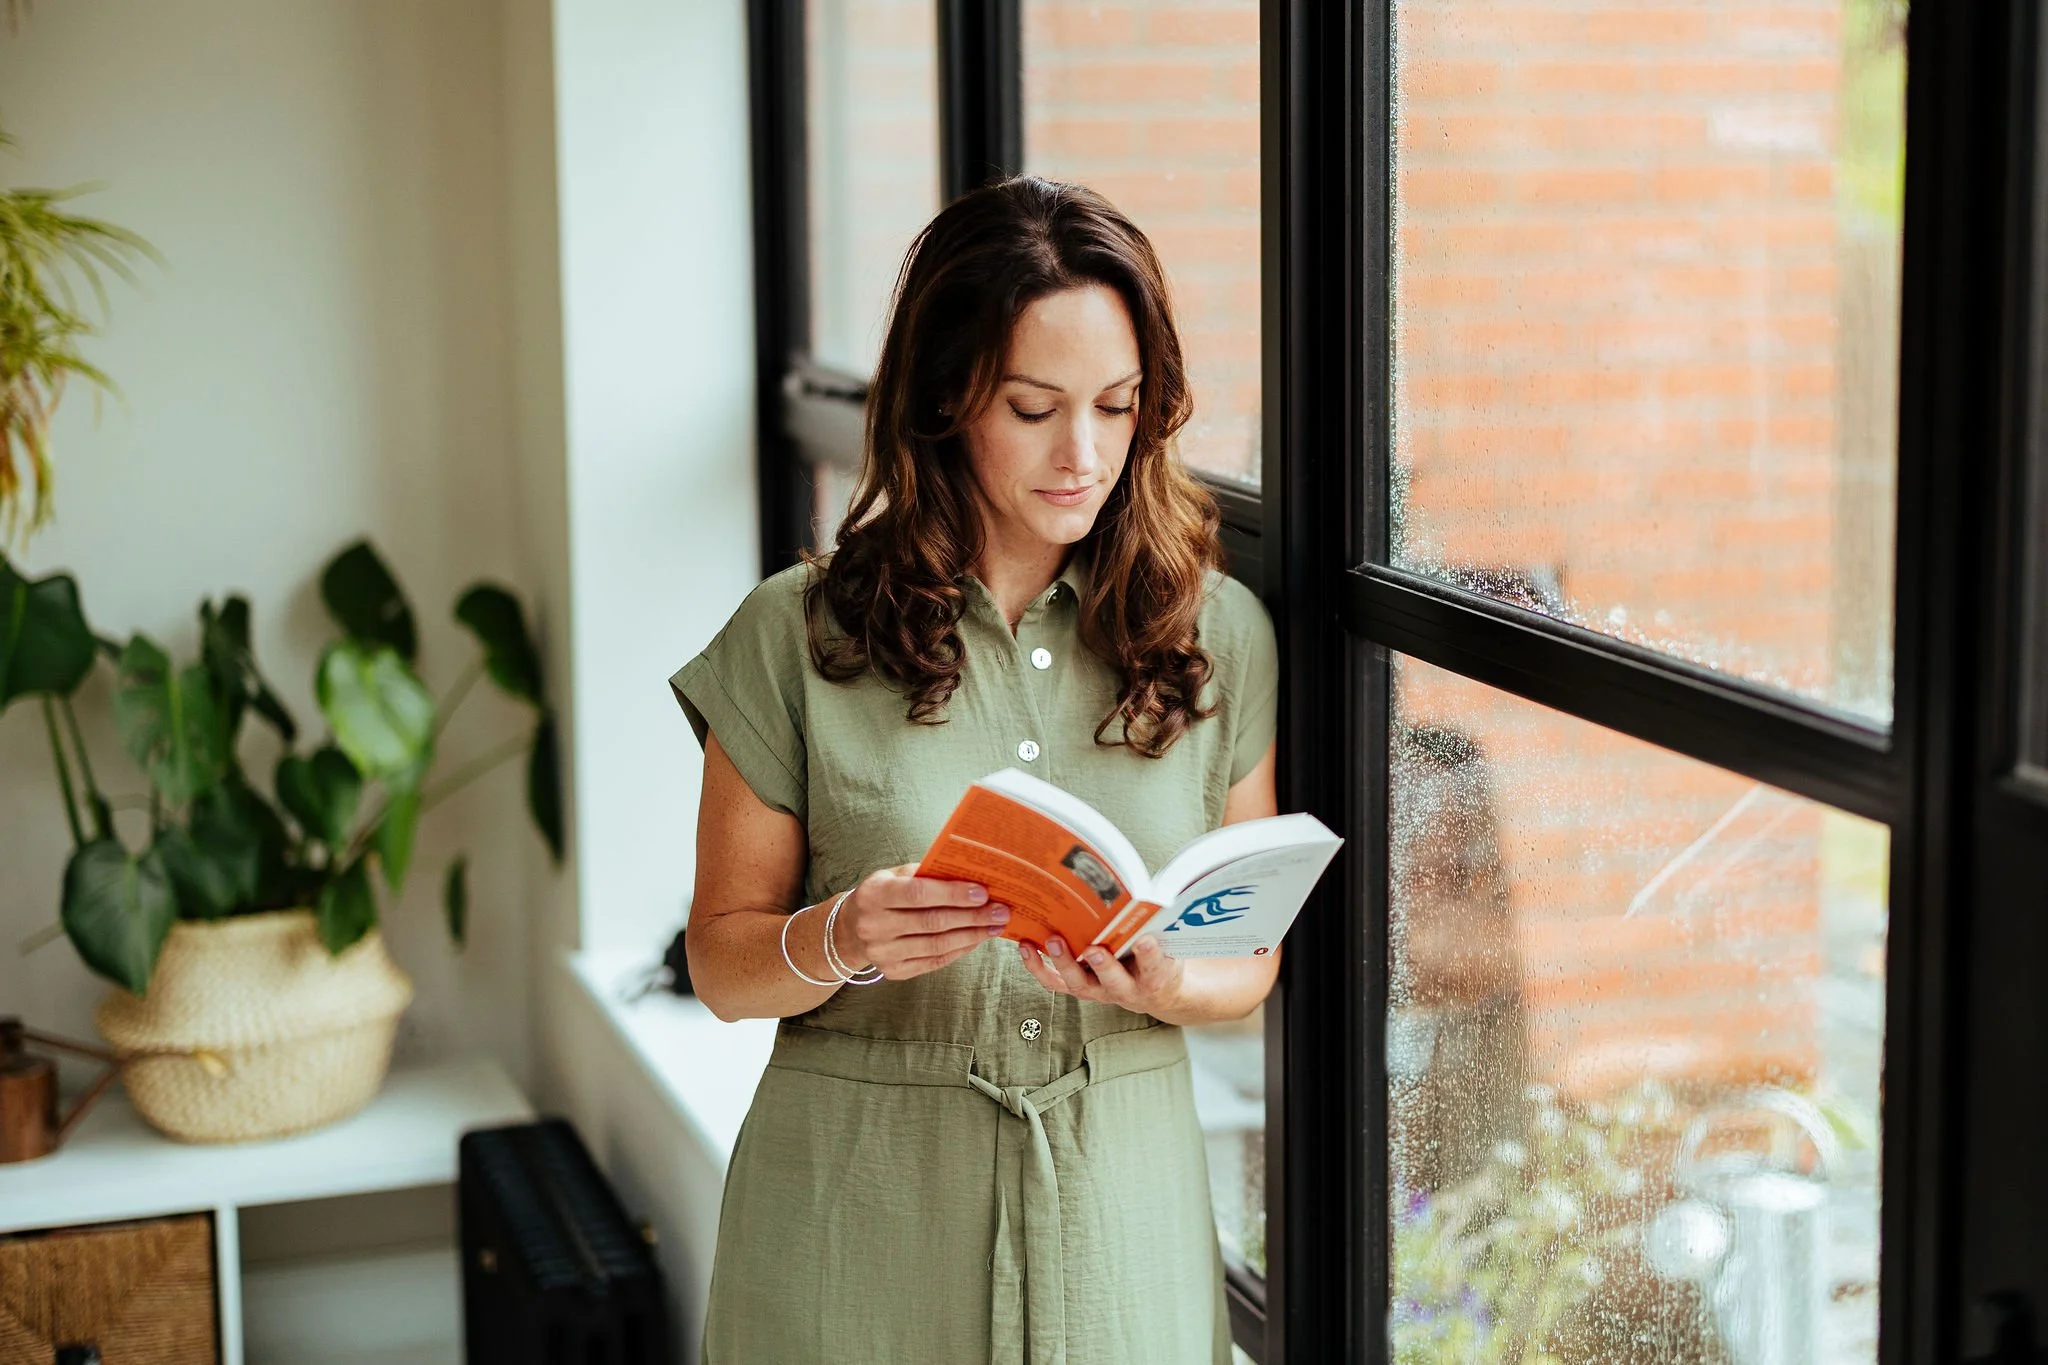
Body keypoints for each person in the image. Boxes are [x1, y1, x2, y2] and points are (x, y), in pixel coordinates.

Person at [670, 176, 1279, 1365]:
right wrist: (842, 935)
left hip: (1124, 1197)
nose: (1083, 453)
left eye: (1116, 405)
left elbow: (1247, 962)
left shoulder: (1217, 634)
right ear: (947, 399)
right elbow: (721, 966)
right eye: (1034, 407)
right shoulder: (793, 635)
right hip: (855, 1207)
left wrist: (1163, 983)